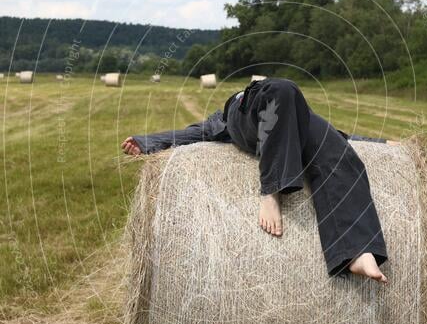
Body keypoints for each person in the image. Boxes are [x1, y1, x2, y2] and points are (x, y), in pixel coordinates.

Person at [122, 78, 399, 284]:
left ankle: (356, 250)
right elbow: (196, 133)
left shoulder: (301, 117)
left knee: (338, 152)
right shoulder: (231, 115)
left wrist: (383, 144)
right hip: (253, 111)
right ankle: (271, 192)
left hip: (291, 112)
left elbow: (340, 135)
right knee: (283, 90)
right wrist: (148, 143)